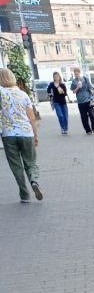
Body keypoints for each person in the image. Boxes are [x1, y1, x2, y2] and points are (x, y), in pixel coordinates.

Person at [0, 68, 43, 203]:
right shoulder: (23, 94)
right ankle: (34, 181)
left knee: (16, 165)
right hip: (26, 133)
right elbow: (32, 118)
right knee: (30, 162)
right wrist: (36, 136)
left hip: (8, 135)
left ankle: (24, 195)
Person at [70, 68, 94, 135]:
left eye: (77, 74)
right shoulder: (74, 81)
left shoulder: (85, 79)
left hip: (88, 99)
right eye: (75, 74)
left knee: (92, 115)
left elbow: (90, 87)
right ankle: (88, 130)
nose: (76, 75)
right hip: (80, 101)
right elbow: (73, 91)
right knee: (84, 117)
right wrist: (77, 88)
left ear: (80, 73)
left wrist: (92, 90)